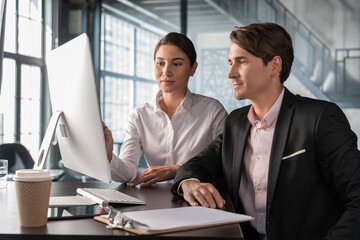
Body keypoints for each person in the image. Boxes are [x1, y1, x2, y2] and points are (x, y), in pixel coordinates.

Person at [172, 22, 360, 240]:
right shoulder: (236, 122)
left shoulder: (320, 118)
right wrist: (189, 183)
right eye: (230, 62)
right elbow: (195, 165)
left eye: (241, 62)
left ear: (274, 66)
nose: (230, 73)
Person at [103, 32, 228, 187]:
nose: (166, 72)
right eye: (160, 63)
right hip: (154, 202)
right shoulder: (139, 116)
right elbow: (127, 173)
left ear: (193, 69)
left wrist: (179, 170)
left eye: (176, 64)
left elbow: (226, 166)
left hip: (198, 202)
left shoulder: (212, 111)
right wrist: (108, 156)